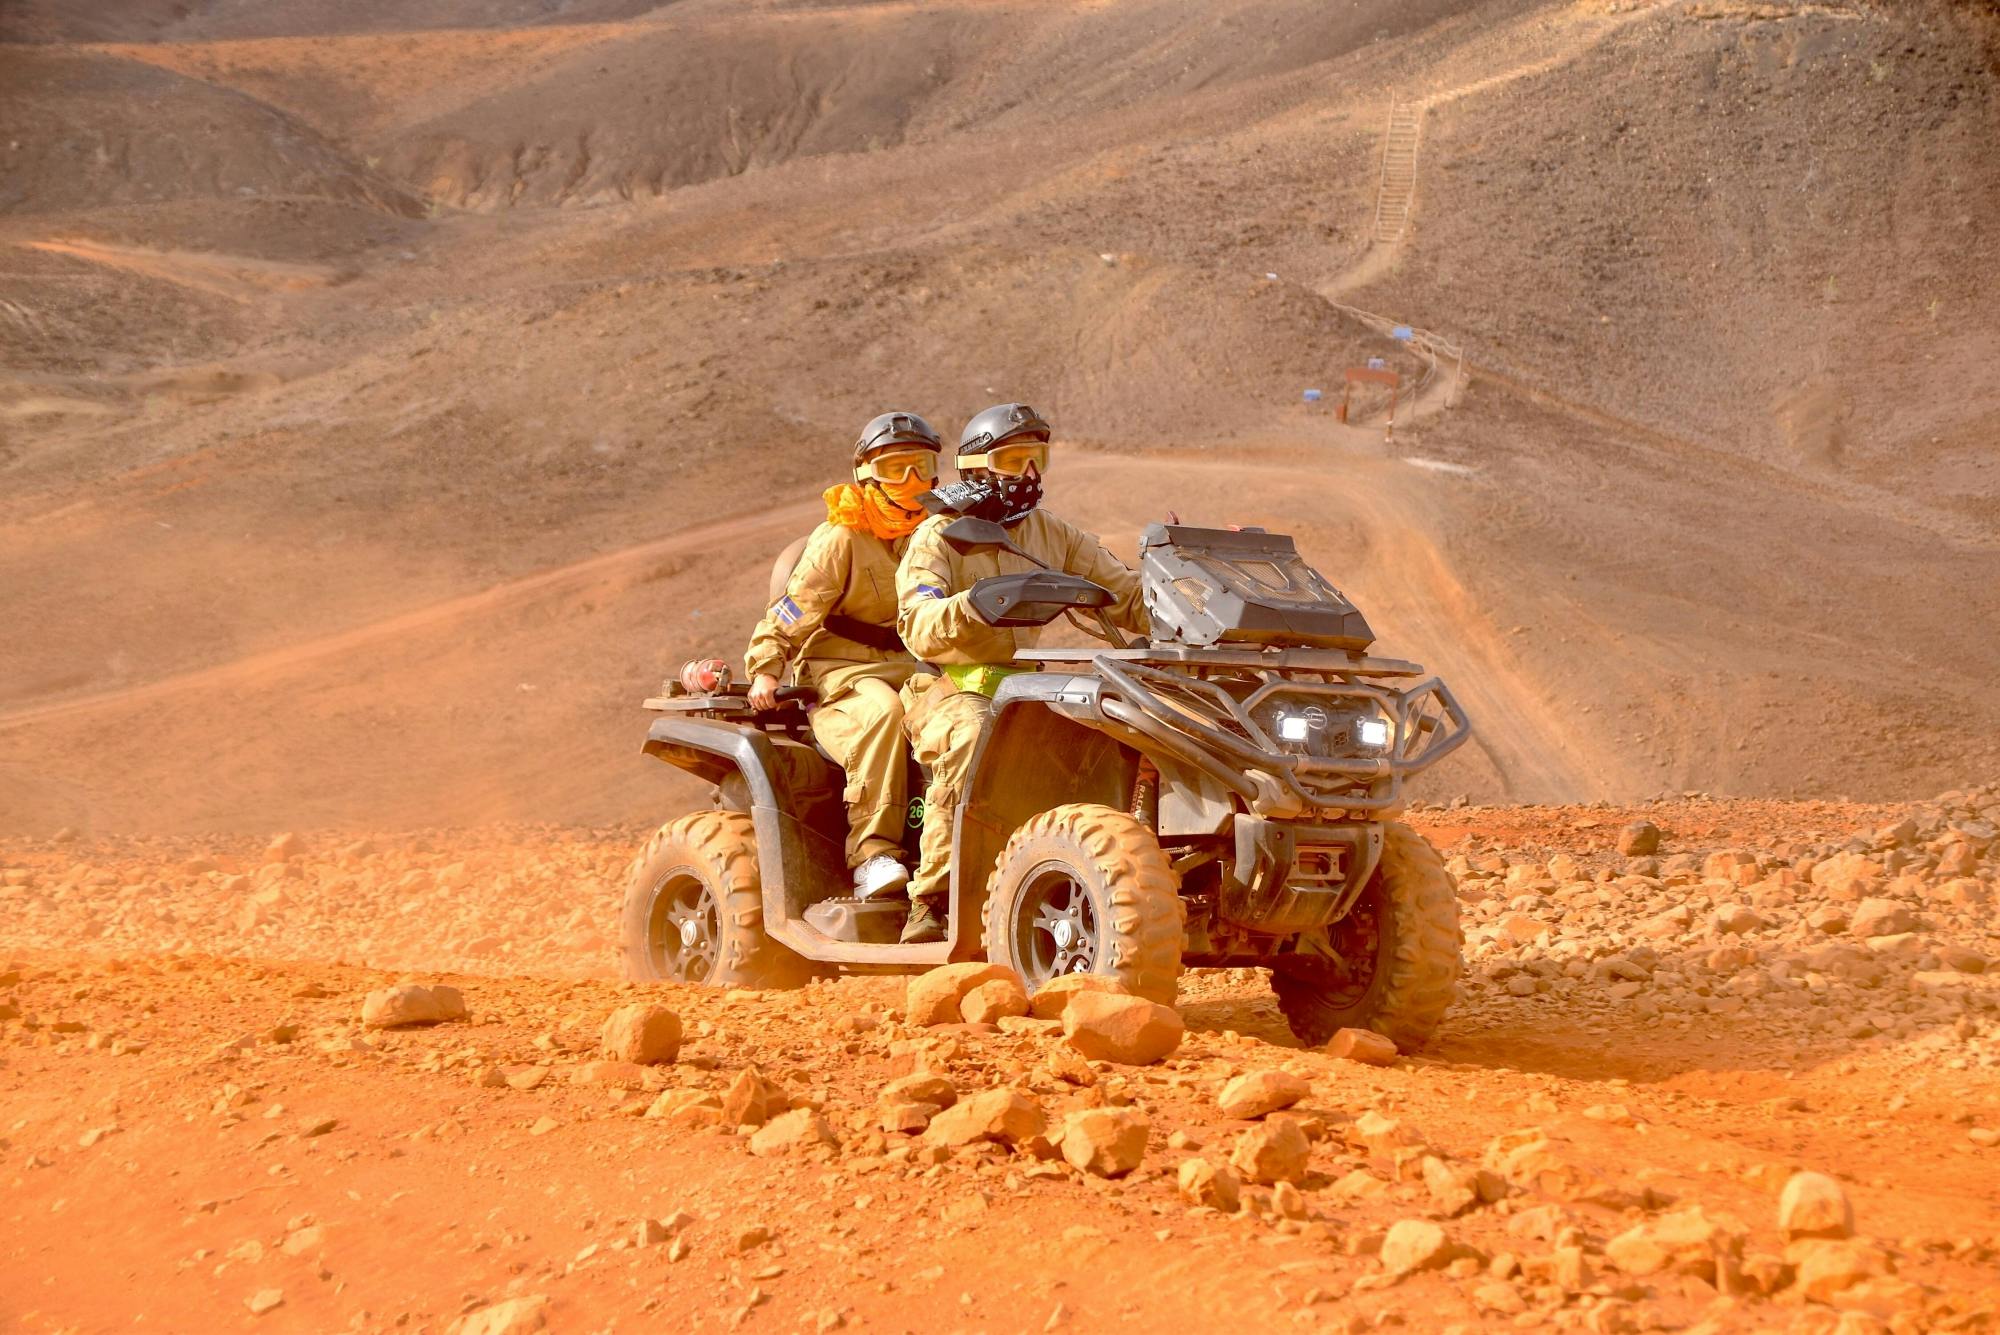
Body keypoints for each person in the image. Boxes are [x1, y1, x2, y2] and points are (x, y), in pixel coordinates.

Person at [893, 402, 1150, 943]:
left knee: (1107, 739)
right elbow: (918, 624)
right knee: (970, 740)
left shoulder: (1050, 533)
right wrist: (974, 606)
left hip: (1021, 686)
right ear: (976, 467)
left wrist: (1186, 611)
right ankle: (933, 901)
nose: (1030, 474)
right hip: (944, 686)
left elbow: (1123, 590)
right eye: (1014, 460)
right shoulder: (938, 535)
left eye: (1038, 459)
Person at [744, 412, 942, 900]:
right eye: (896, 468)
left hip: (916, 668)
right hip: (840, 671)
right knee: (883, 712)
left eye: (920, 465)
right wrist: (766, 669)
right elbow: (791, 610)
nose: (910, 481)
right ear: (867, 474)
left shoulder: (939, 533)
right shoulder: (841, 537)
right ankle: (873, 855)